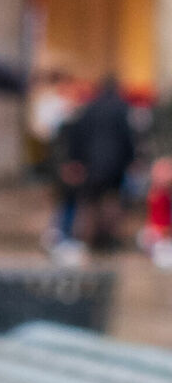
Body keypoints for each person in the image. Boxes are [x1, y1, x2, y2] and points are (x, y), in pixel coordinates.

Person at [54, 75, 136, 255]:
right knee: (112, 200)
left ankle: (88, 238)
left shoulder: (90, 108)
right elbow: (128, 137)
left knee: (90, 201)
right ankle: (107, 237)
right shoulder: (121, 108)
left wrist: (76, 159)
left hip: (92, 162)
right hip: (115, 163)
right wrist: (131, 158)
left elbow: (77, 134)